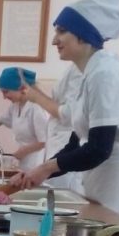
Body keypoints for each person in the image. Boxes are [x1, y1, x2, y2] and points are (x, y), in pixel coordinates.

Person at [10, 0, 119, 221]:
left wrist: (46, 168)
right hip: (102, 179)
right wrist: (38, 171)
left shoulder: (105, 75)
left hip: (117, 183)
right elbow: (76, 141)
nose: (54, 40)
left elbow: (99, 148)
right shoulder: (90, 74)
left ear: (83, 35)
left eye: (62, 31)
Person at [0, 67, 49, 171]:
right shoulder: (16, 106)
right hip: (24, 163)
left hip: (38, 162)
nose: (4, 97)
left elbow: (45, 141)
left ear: (21, 89)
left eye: (6, 92)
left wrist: (25, 150)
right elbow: (0, 120)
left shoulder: (37, 108)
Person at [43, 64, 84, 193]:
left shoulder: (82, 72)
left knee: (63, 190)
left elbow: (68, 114)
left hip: (66, 142)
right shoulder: (73, 69)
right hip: (61, 146)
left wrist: (36, 96)